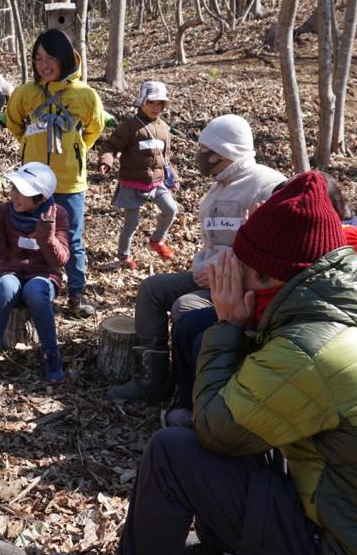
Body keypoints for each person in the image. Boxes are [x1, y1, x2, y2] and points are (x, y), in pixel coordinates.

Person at [63, 172, 357, 555]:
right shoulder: (343, 309)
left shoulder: (312, 349)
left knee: (172, 454)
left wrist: (228, 325)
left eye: (242, 267)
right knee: (250, 430)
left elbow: (214, 429)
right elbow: (248, 409)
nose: (229, 272)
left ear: (274, 278)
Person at [162, 170, 357, 428]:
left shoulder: (345, 243)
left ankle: (203, 414)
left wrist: (231, 323)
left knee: (204, 338)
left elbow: (281, 294)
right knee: (190, 323)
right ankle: (187, 402)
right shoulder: (287, 244)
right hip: (270, 311)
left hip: (289, 328)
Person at [108, 114, 285, 402]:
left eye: (205, 150)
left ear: (225, 152)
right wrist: (207, 267)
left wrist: (225, 272)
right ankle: (154, 378)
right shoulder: (220, 184)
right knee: (153, 288)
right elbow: (214, 242)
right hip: (207, 274)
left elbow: (271, 252)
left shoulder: (266, 185)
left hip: (242, 284)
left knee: (186, 306)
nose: (200, 155)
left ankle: (192, 387)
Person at [6, 28, 106, 318]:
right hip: (32, 183)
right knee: (30, 234)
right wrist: (30, 146)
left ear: (65, 58)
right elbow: (14, 122)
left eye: (50, 58)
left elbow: (95, 127)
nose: (44, 65)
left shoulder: (85, 95)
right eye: (38, 58)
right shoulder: (25, 93)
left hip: (69, 182)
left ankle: (76, 293)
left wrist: (77, 150)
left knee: (71, 238)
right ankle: (36, 287)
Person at [0, 162, 70, 385]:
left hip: (44, 274)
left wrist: (46, 234)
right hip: (11, 270)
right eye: (13, 188)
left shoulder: (57, 214)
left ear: (40, 197)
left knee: (36, 291)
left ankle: (51, 355)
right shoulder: (5, 211)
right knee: (4, 287)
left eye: (21, 191)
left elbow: (60, 260)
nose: (13, 195)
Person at [97, 80, 178, 269]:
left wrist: (173, 176)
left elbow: (165, 157)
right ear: (141, 103)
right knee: (131, 224)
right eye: (151, 102)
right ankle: (123, 256)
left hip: (156, 182)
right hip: (132, 183)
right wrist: (106, 161)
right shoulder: (129, 126)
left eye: (160, 103)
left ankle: (157, 240)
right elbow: (111, 146)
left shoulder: (164, 128)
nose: (155, 107)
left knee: (171, 209)